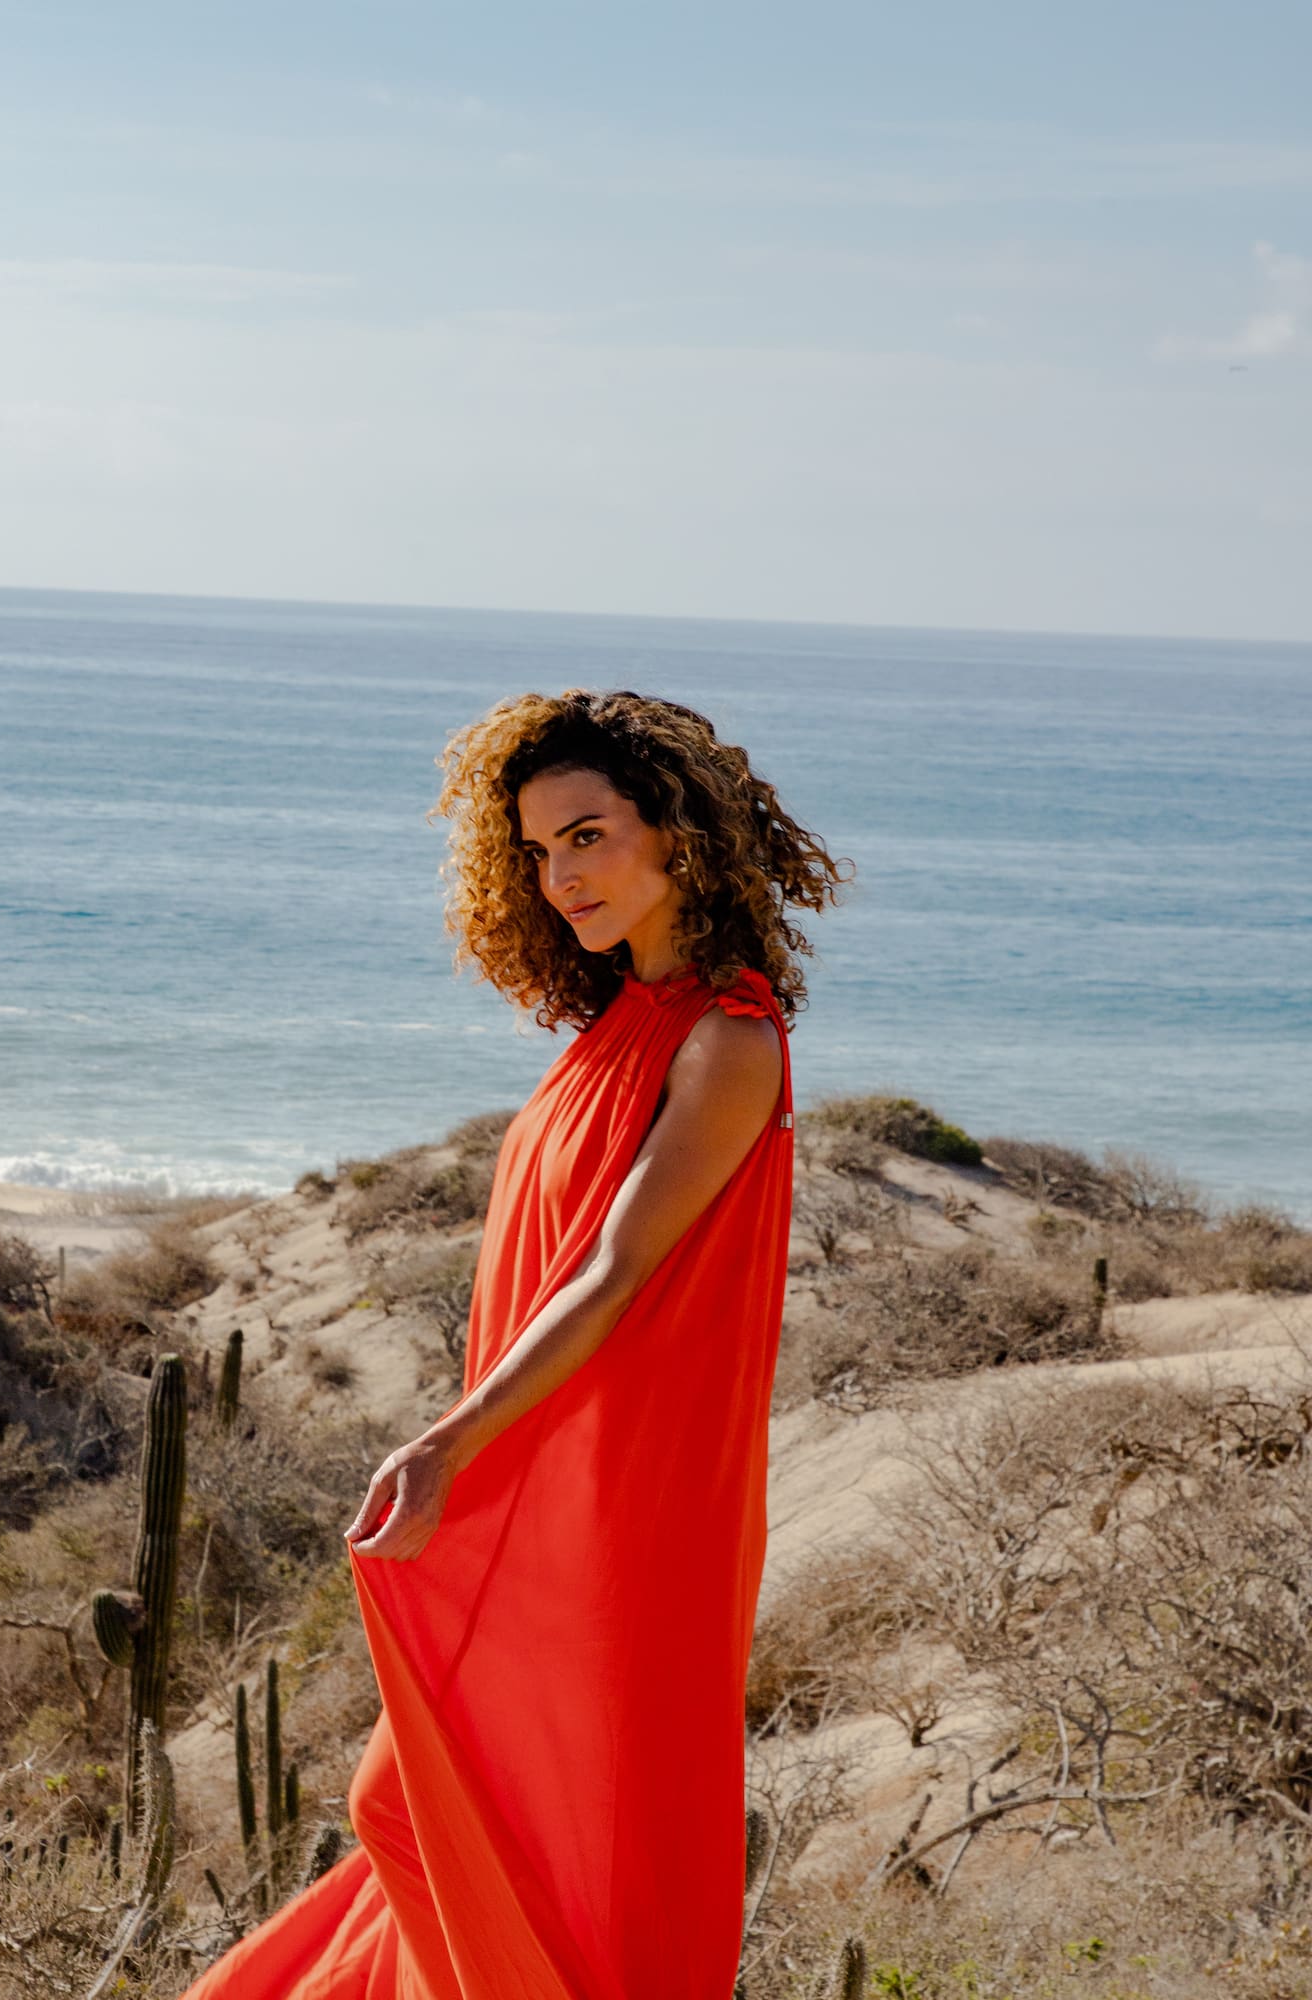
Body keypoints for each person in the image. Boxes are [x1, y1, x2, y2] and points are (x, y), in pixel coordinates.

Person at [176, 688, 848, 2000]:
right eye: (539, 852)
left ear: (681, 838)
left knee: (445, 1820)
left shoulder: (730, 1042)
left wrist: (448, 1439)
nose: (562, 877)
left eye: (589, 836)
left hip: (620, 1509)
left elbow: (611, 1272)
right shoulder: (608, 1027)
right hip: (543, 1477)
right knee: (443, 1826)